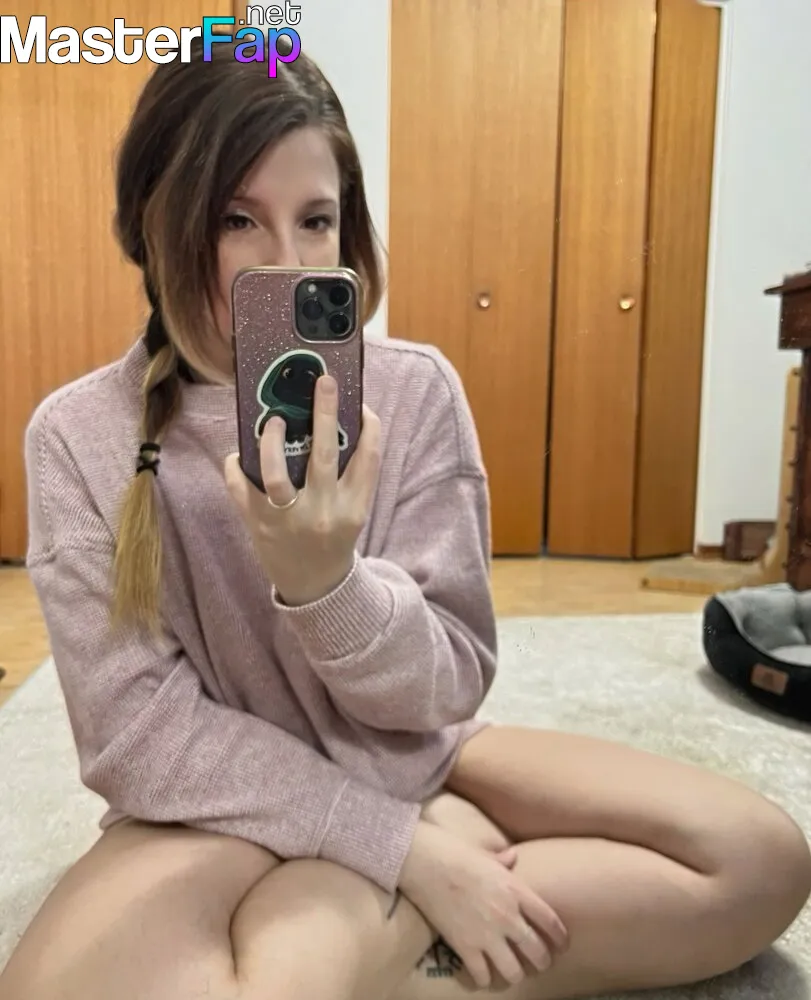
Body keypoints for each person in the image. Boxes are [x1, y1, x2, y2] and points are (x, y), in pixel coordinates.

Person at [2, 38, 809, 1000]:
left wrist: (328, 589)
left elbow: (452, 677)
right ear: (150, 222)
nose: (287, 261)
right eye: (235, 219)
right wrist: (403, 850)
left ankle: (363, 945)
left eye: (316, 220)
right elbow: (138, 739)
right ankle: (411, 927)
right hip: (211, 807)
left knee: (757, 860)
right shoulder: (78, 436)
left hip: (413, 756)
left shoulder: (414, 391)